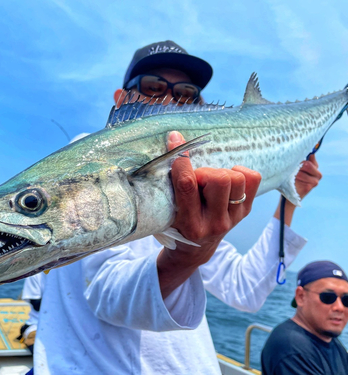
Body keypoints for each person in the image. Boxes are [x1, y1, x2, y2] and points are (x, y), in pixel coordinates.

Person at [31, 41, 322, 374]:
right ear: (121, 100)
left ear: (201, 107)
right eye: (152, 89)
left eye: (186, 94)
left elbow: (244, 290)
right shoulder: (90, 159)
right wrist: (184, 258)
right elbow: (107, 294)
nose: (169, 102)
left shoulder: (193, 194)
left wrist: (290, 197)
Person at [261, 261, 348, 375]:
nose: (339, 307)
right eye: (328, 297)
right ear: (301, 297)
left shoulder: (325, 338)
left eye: (346, 300)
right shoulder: (292, 349)